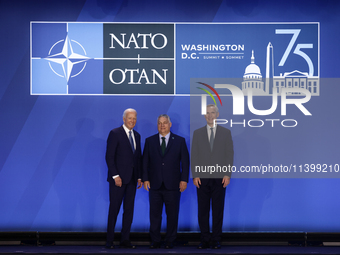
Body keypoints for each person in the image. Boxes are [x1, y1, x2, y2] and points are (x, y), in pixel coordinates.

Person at [143, 114, 189, 249]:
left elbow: (185, 163)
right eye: (159, 123)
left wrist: (184, 180)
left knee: (172, 214)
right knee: (155, 215)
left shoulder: (180, 141)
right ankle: (155, 240)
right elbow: (145, 161)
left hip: (173, 185)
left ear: (170, 124)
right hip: (155, 184)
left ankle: (170, 240)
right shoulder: (149, 141)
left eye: (165, 123)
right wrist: (145, 178)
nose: (162, 125)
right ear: (157, 125)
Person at [191, 104, 234, 249]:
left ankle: (216, 239)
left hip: (219, 178)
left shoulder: (225, 132)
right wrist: (195, 175)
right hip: (202, 178)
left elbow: (229, 155)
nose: (210, 115)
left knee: (218, 210)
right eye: (208, 113)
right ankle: (204, 239)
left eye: (213, 113)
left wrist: (227, 174)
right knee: (202, 210)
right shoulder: (197, 133)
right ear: (204, 115)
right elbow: (194, 155)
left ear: (218, 114)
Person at [105, 108, 142, 249]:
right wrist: (115, 176)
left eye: (134, 118)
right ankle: (109, 240)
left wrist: (139, 177)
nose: (132, 121)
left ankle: (125, 240)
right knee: (114, 209)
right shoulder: (115, 133)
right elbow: (109, 157)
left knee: (129, 210)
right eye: (130, 118)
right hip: (118, 180)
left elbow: (137, 158)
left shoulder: (137, 136)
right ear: (124, 119)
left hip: (132, 180)